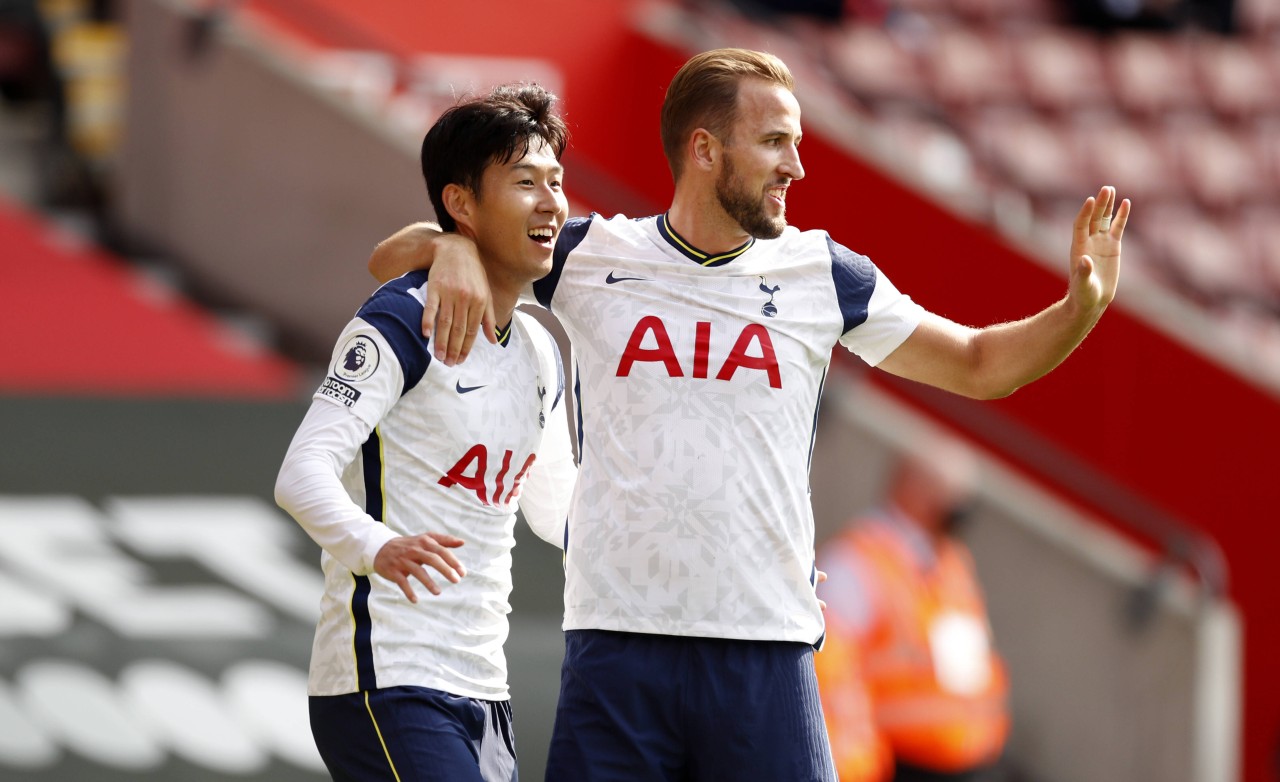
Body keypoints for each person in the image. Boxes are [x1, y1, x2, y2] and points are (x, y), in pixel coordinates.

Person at [368, 48, 1128, 782]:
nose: (795, 167)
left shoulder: (825, 275)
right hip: (617, 647)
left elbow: (978, 365)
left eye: (794, 145)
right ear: (705, 149)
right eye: (774, 143)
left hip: (764, 648)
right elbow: (390, 260)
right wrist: (454, 249)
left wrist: (1079, 309)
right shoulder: (589, 255)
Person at [274, 83, 577, 782]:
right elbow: (302, 473)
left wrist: (723, 553)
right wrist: (377, 547)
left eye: (557, 182)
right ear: (461, 202)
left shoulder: (538, 349)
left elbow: (559, 512)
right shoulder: (401, 320)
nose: (550, 202)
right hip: (387, 673)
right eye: (524, 181)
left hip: (484, 686)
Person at [816, 435, 1009, 782]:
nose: (960, 506)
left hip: (974, 761)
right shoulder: (857, 562)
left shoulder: (952, 563)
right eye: (951, 490)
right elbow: (831, 680)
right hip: (901, 764)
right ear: (912, 486)